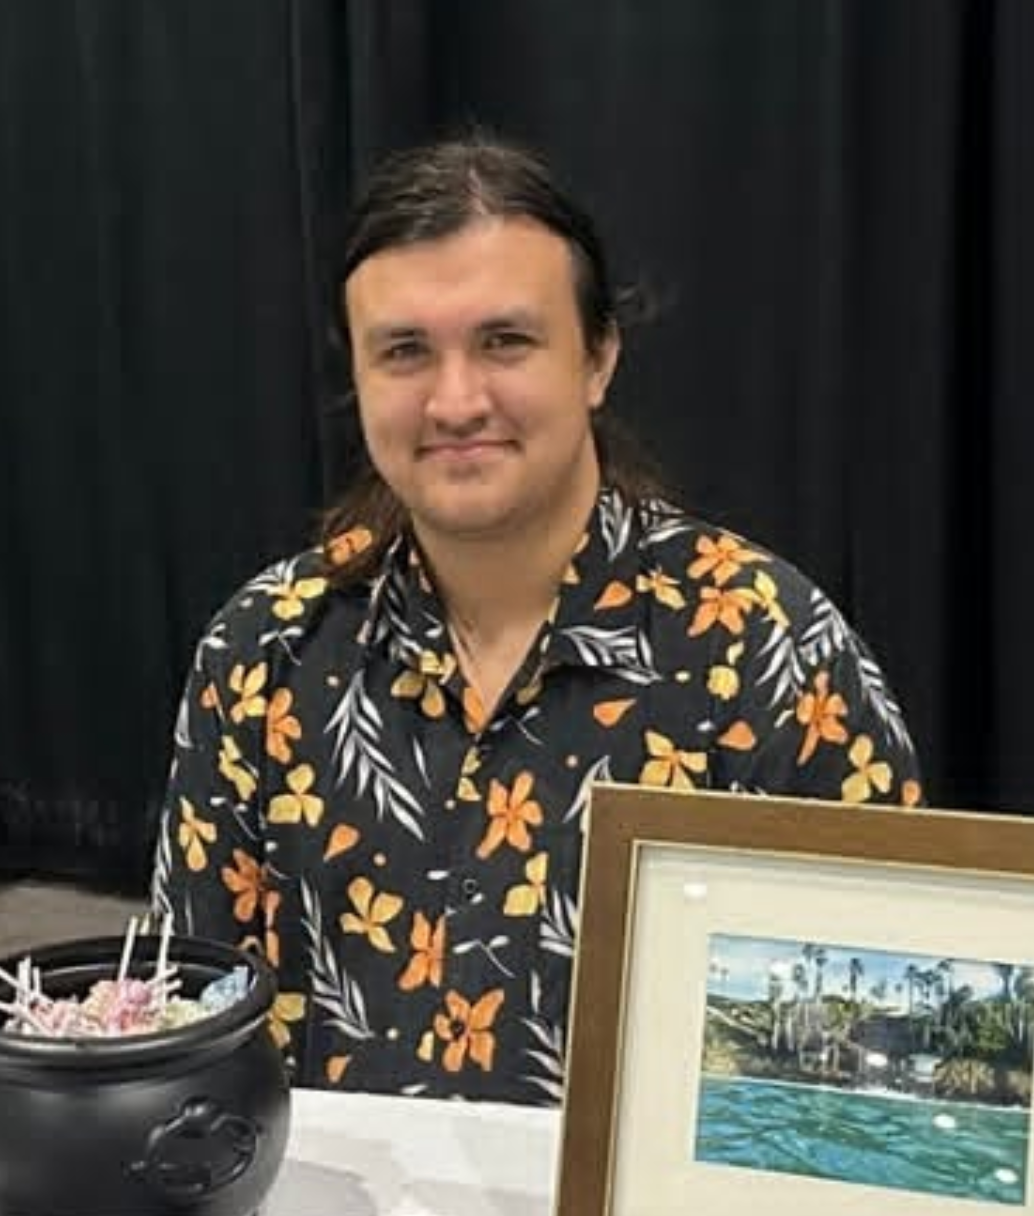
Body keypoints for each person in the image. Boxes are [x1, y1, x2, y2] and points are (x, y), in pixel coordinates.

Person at [152, 134, 922, 1104]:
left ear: (598, 357)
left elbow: (866, 1073)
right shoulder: (263, 651)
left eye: (505, 341)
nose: (456, 398)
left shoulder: (766, 649)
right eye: (404, 352)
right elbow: (185, 1027)